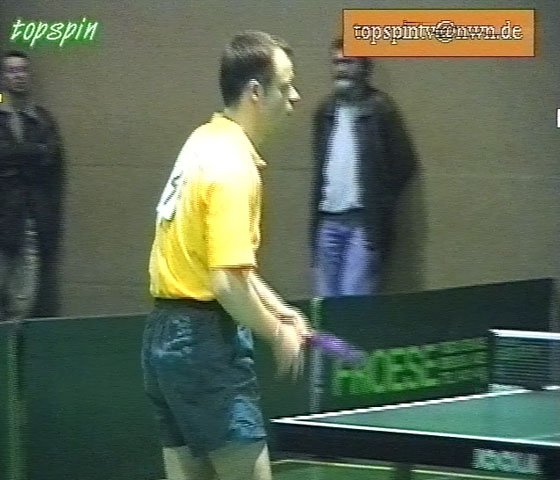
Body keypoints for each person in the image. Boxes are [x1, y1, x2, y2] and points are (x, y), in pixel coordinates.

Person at [142, 31, 308, 480]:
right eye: (285, 85)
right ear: (255, 92)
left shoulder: (203, 142)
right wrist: (277, 333)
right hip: (204, 345)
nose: (295, 96)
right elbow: (227, 285)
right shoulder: (234, 169)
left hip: (164, 338)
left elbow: (224, 265)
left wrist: (280, 308)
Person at [310, 37, 417, 297]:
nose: (341, 69)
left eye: (349, 62)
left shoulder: (380, 109)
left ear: (364, 67)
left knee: (354, 298)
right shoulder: (325, 111)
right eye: (336, 62)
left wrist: (380, 200)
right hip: (327, 222)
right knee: (325, 299)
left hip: (364, 224)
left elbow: (405, 162)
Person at [0, 50, 65, 322]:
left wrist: (14, 156)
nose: (19, 76)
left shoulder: (41, 118)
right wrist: (32, 152)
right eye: (12, 71)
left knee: (23, 302)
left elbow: (51, 156)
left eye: (23, 70)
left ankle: (12, 350)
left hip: (29, 223)